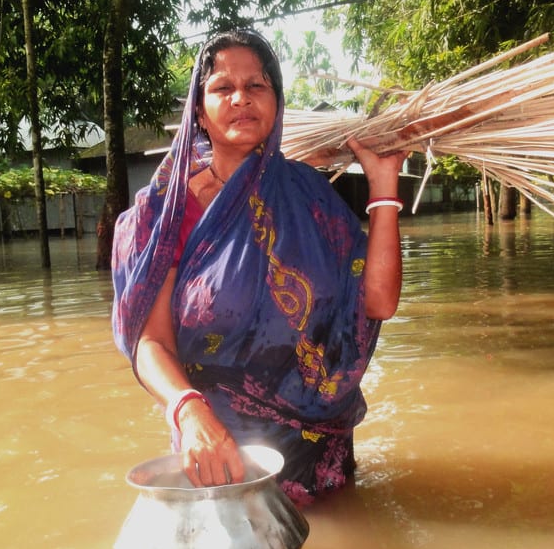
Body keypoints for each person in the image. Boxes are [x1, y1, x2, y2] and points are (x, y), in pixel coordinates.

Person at [111, 29, 406, 505]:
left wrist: (384, 183)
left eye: (257, 85)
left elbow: (379, 302)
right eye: (223, 87)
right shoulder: (166, 213)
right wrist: (189, 412)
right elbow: (151, 343)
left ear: (277, 102)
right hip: (218, 453)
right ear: (198, 111)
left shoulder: (311, 197)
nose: (241, 98)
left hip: (319, 449)